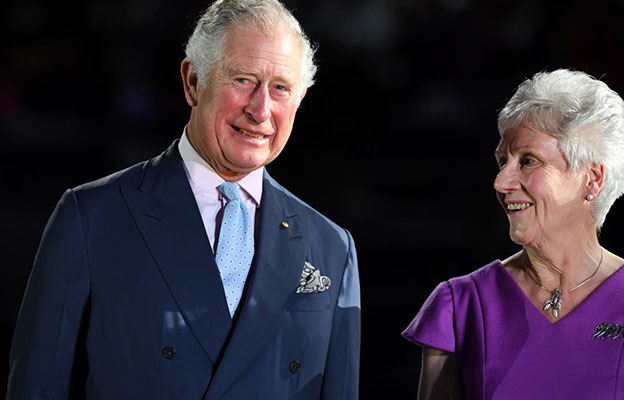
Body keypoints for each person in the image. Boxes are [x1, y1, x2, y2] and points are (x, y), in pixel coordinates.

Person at [8, 0, 360, 398]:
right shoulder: (91, 218)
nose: (261, 110)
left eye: (280, 88)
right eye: (243, 80)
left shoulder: (331, 247)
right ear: (193, 81)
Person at [402, 69, 624, 399]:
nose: (501, 182)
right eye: (502, 162)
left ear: (592, 179)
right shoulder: (459, 305)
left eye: (527, 161)